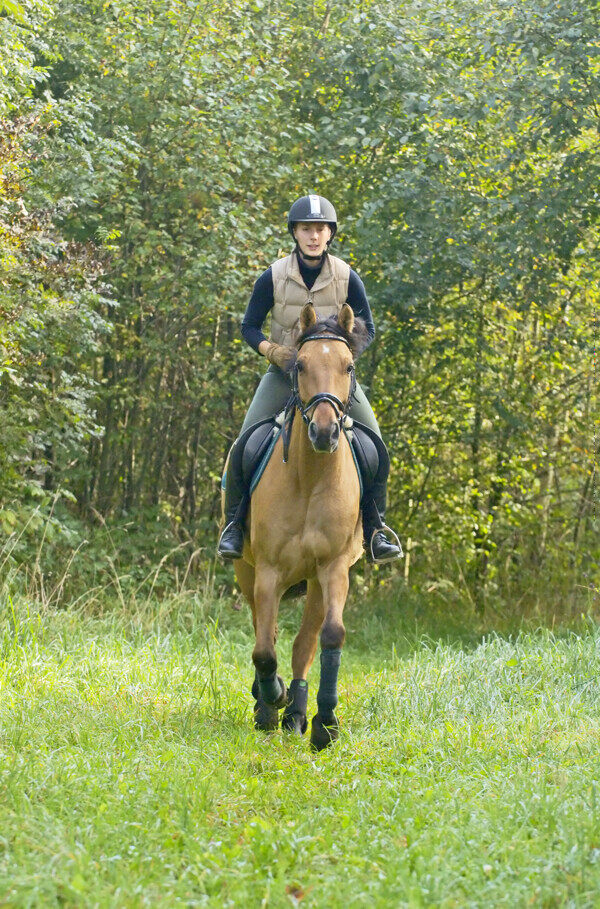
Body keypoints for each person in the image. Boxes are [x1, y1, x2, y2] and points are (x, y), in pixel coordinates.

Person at [217, 194, 402, 564]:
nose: (313, 236)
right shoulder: (273, 276)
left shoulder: (348, 276)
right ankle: (235, 525)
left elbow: (369, 327)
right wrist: (273, 351)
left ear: (329, 234)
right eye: (306, 229)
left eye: (320, 229)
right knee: (244, 443)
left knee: (375, 445)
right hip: (282, 375)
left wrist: (341, 363)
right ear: (296, 233)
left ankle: (375, 529)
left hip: (332, 382)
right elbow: (248, 326)